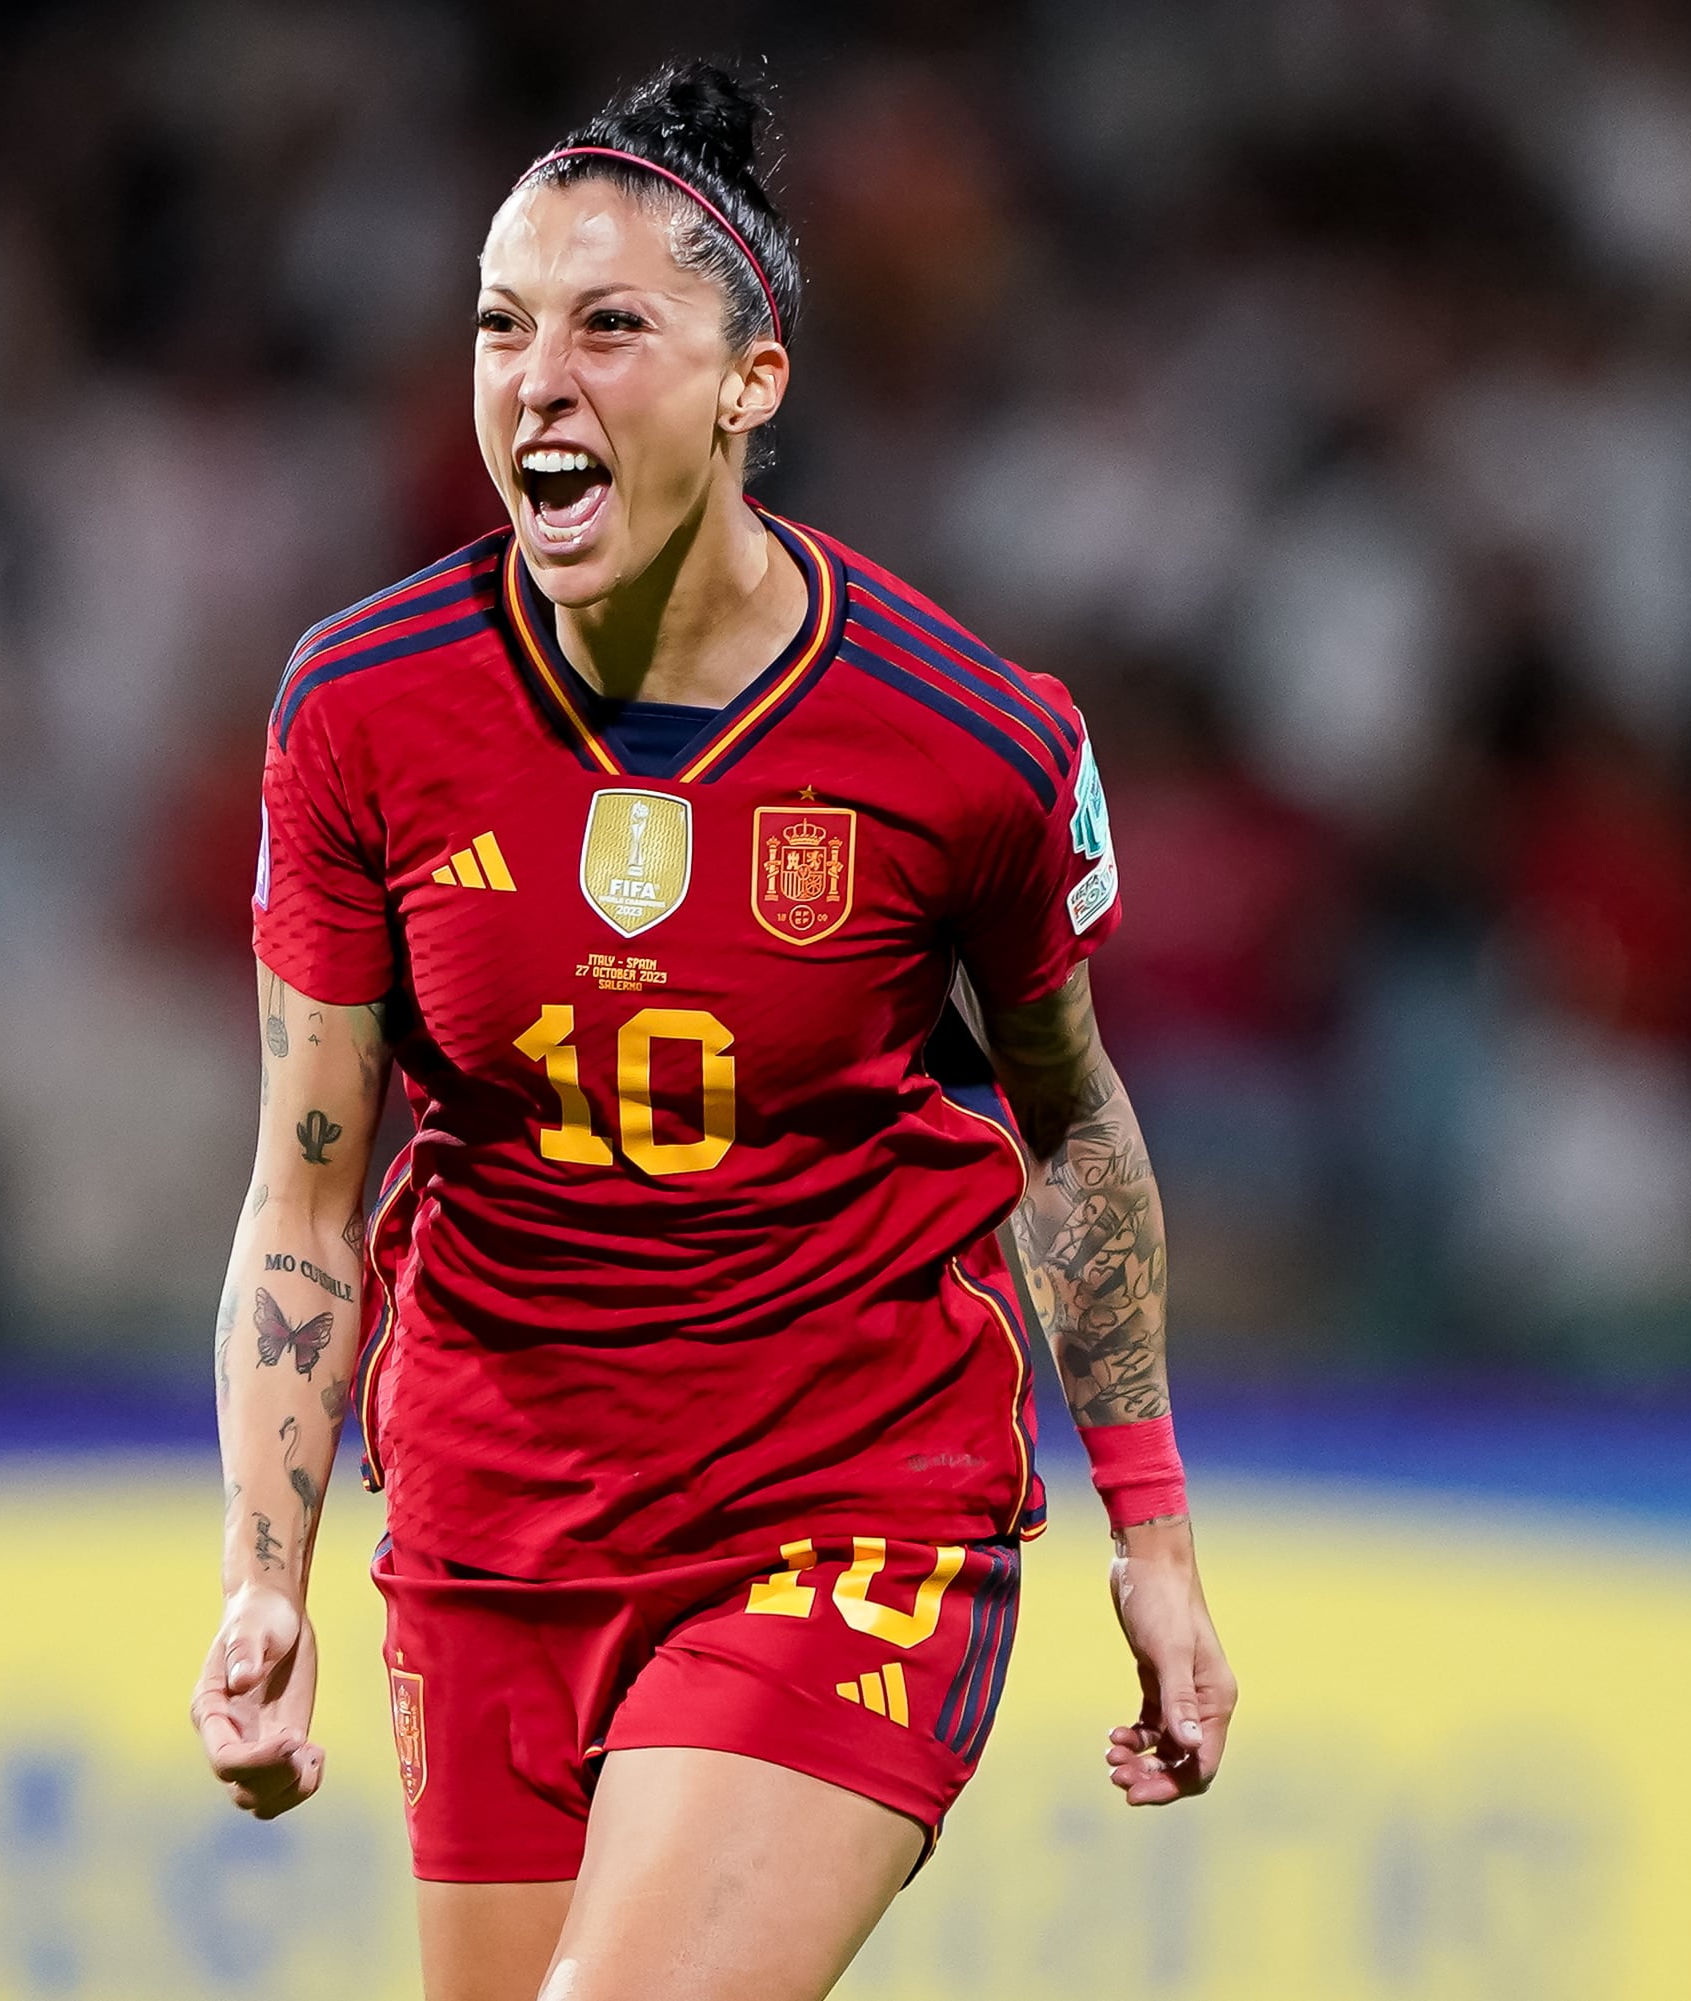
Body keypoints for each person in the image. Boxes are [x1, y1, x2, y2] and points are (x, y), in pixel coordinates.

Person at [190, 61, 1235, 2001]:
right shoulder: (359, 711)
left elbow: (1069, 1119)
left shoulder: (972, 739)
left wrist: (1151, 1522)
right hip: (497, 1517)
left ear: (754, 380)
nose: (537, 378)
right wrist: (266, 1570)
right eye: (503, 323)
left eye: (610, 326)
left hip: (846, 1495)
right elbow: (305, 1197)